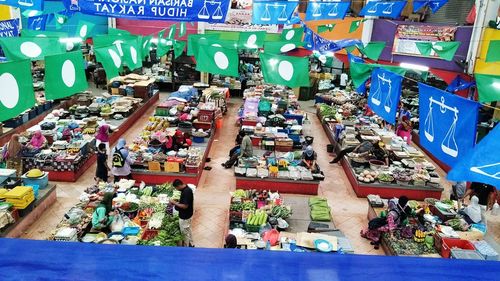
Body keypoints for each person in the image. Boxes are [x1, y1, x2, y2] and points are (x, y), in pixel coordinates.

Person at [170, 179, 194, 247]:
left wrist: (174, 202)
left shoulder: (186, 192)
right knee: (188, 230)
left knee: (184, 233)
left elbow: (185, 206)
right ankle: (191, 243)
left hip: (185, 217)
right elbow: (184, 202)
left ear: (179, 185)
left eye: (176, 188)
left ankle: (186, 247)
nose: (177, 189)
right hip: (188, 214)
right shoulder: (186, 189)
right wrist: (178, 201)